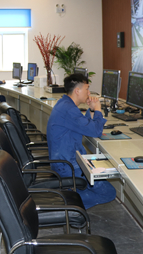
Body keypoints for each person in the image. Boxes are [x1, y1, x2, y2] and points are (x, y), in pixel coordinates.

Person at [46, 73, 116, 209]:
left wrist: (91, 110)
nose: (89, 92)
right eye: (87, 89)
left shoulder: (65, 104)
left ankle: (71, 193)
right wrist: (98, 110)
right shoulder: (69, 110)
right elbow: (95, 131)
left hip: (64, 162)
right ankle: (68, 201)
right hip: (69, 166)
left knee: (97, 183)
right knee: (109, 192)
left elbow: (84, 125)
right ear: (77, 91)